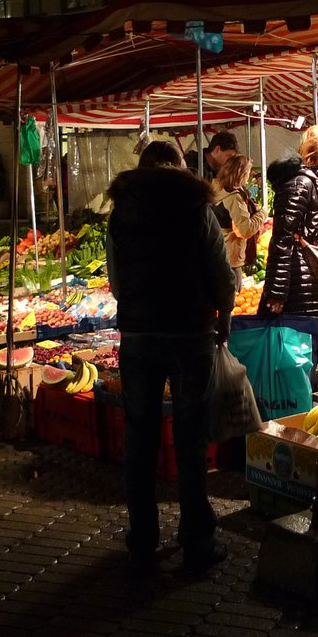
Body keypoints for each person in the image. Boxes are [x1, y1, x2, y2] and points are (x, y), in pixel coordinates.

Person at [105, 140, 234, 575]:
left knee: (139, 437)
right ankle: (198, 540)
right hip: (190, 332)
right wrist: (225, 315)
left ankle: (142, 541)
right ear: (180, 169)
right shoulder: (195, 206)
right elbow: (221, 272)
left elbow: (117, 282)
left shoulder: (122, 212)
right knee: (191, 437)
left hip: (139, 335)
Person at [259, 125, 318, 370]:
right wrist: (277, 293)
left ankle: (300, 400)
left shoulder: (315, 183)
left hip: (308, 281)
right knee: (297, 355)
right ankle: (293, 404)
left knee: (304, 352)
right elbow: (282, 239)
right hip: (300, 283)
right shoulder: (300, 183)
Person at [210, 154, 265, 271]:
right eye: (248, 173)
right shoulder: (233, 198)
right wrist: (262, 214)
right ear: (242, 175)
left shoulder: (216, 189)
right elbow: (245, 230)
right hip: (231, 257)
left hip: (218, 251)